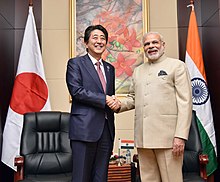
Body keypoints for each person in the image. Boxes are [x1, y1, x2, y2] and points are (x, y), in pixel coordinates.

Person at [113, 32, 192, 182]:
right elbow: (133, 98)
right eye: (147, 44)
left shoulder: (177, 66)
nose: (151, 46)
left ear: (163, 45)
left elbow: (185, 102)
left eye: (155, 42)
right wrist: (118, 105)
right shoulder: (138, 71)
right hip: (143, 139)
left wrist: (180, 136)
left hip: (168, 140)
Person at [66, 25, 119, 182]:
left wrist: (115, 102)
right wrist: (105, 99)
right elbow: (76, 91)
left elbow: (110, 95)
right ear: (86, 42)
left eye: (103, 38)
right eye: (95, 37)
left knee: (100, 177)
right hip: (84, 129)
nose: (99, 41)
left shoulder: (110, 68)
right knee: (81, 177)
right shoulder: (75, 64)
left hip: (106, 130)